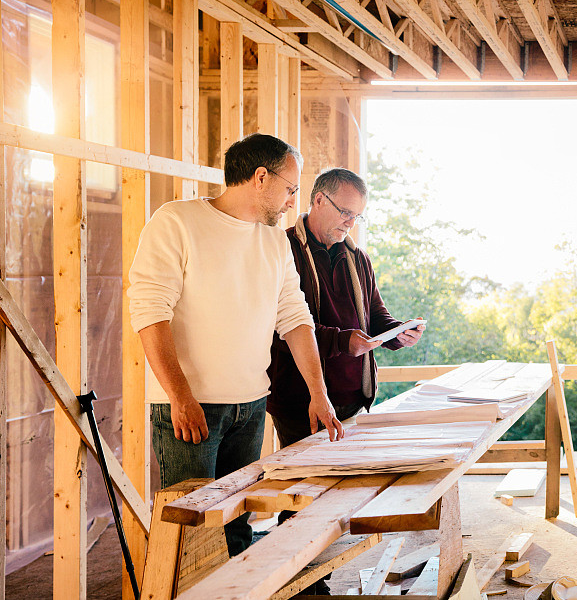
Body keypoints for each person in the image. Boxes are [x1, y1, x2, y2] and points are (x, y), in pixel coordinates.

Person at [128, 134, 343, 557]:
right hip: (191, 410)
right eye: (291, 188)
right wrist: (180, 396)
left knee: (236, 531)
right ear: (261, 177)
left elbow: (296, 320)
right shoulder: (176, 221)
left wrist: (319, 394)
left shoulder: (275, 242)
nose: (291, 201)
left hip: (251, 409)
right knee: (191, 541)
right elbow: (150, 313)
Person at [267, 167, 425, 450]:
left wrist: (397, 332)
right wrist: (342, 341)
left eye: (357, 216)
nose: (351, 223)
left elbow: (374, 316)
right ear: (318, 200)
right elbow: (279, 327)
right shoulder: (283, 249)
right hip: (301, 402)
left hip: (355, 399)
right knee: (307, 487)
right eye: (345, 212)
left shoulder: (358, 257)